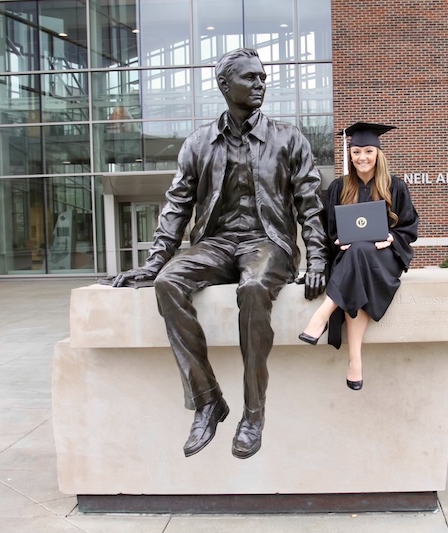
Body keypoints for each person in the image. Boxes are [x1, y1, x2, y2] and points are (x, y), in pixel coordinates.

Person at [111, 48, 328, 459]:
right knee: (169, 282)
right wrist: (156, 261)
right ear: (225, 85)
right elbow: (177, 205)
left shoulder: (288, 138)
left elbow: (310, 204)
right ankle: (209, 400)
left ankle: (253, 412)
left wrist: (317, 258)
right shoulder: (199, 143)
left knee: (253, 288)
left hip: (268, 242)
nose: (261, 84)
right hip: (215, 244)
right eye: (251, 78)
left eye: (263, 77)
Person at [298, 122, 418, 390]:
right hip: (351, 257)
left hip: (385, 258)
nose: (362, 157)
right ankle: (355, 362)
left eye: (367, 151)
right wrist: (337, 241)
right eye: (356, 152)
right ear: (350, 155)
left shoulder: (395, 186)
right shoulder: (340, 188)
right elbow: (329, 229)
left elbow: (408, 228)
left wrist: (391, 238)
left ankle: (321, 316)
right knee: (357, 251)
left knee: (362, 251)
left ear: (378, 153)